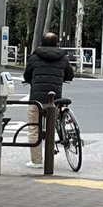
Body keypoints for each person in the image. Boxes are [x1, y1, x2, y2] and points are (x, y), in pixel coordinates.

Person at [23, 32, 74, 168]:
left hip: (37, 99)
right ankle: (50, 159)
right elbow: (70, 74)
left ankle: (37, 161)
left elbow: (27, 74)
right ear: (57, 43)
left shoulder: (34, 57)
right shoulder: (63, 58)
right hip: (54, 99)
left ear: (42, 43)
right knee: (51, 127)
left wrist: (29, 80)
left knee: (34, 128)